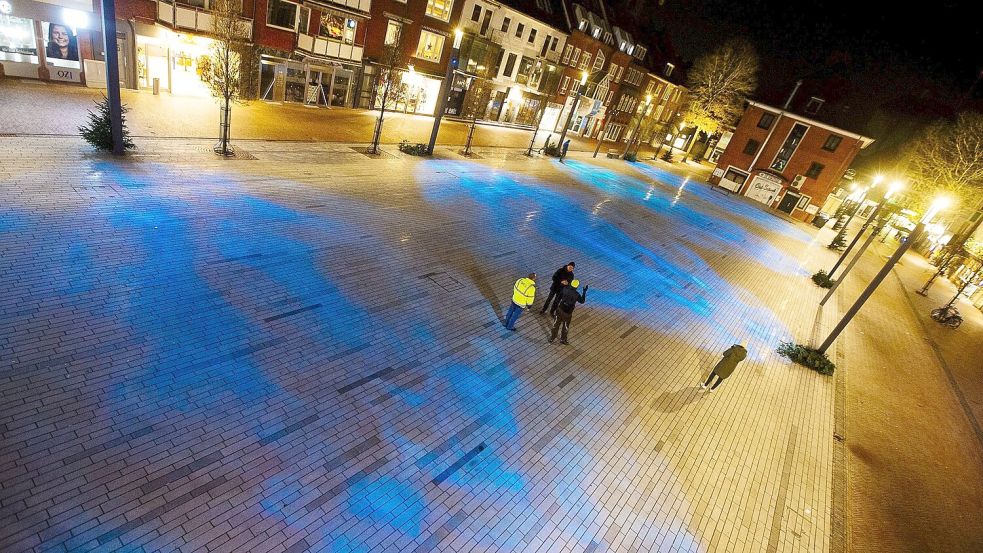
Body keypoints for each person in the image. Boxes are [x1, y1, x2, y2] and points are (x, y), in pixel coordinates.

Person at [549, 279, 588, 344]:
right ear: (577, 286)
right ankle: (563, 339)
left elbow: (558, 298)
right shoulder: (577, 294)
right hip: (568, 313)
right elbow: (582, 301)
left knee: (556, 324)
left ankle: (552, 338)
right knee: (565, 326)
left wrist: (555, 308)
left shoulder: (565, 289)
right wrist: (584, 291)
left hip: (560, 309)